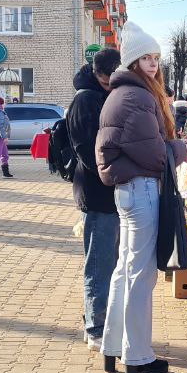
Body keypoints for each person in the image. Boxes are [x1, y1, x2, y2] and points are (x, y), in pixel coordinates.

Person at [95, 22, 187, 373]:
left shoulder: (122, 94)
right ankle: (136, 356)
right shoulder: (136, 97)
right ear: (133, 61)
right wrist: (182, 149)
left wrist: (176, 149)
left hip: (129, 190)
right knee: (140, 274)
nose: (153, 64)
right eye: (146, 58)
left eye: (156, 58)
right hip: (142, 189)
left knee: (125, 271)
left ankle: (114, 348)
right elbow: (153, 154)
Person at [67, 48, 122, 351]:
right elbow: (89, 152)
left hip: (110, 193)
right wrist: (117, 170)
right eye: (108, 76)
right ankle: (95, 327)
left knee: (110, 263)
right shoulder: (85, 100)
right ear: (99, 74)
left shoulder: (105, 95)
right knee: (99, 264)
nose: (111, 81)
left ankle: (96, 317)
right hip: (97, 193)